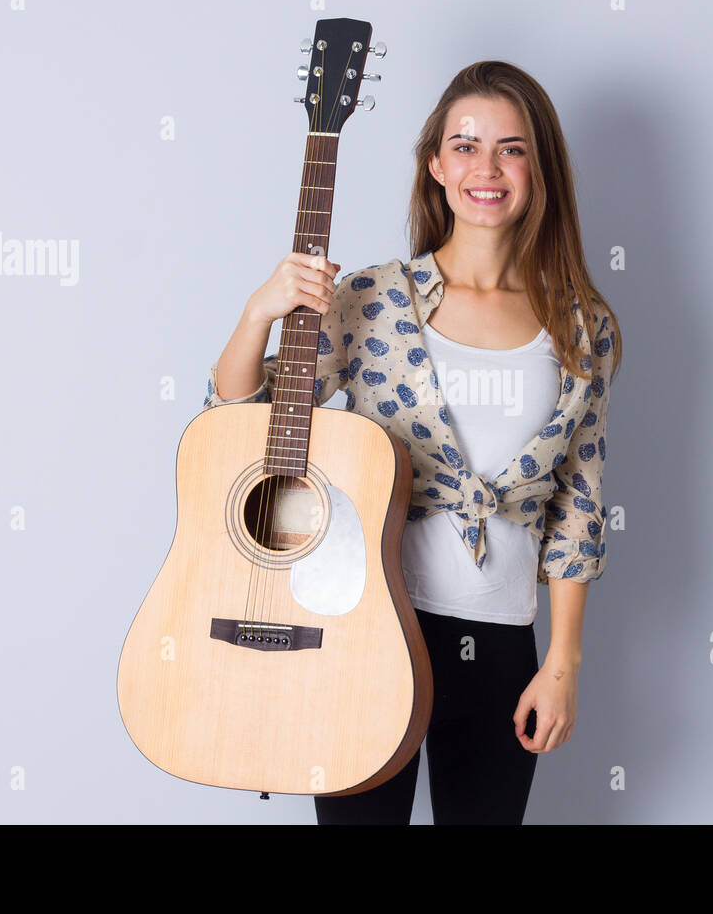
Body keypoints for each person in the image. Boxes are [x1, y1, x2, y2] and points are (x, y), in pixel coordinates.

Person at [203, 60, 621, 824]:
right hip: (361, 625)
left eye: (511, 148)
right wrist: (259, 311)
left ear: (540, 165)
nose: (486, 169)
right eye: (464, 145)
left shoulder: (580, 325)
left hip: (497, 640)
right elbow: (237, 415)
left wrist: (563, 660)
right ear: (435, 163)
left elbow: (580, 503)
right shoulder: (370, 298)